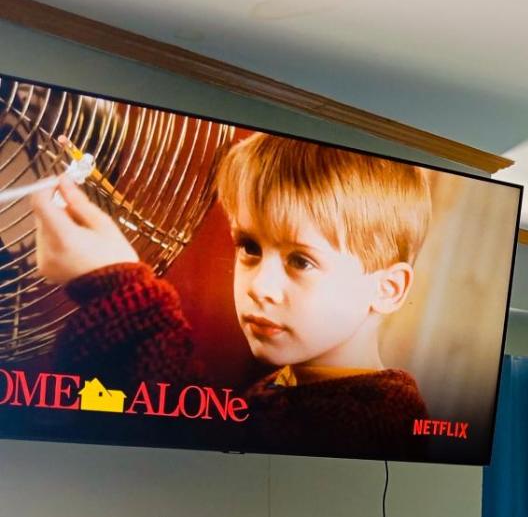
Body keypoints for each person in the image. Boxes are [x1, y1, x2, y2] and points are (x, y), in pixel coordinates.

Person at [32, 132, 433, 458]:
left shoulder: (375, 425)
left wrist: (118, 288)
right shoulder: (290, 384)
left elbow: (196, 453)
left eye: (301, 261)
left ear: (388, 289)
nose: (259, 287)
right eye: (250, 247)